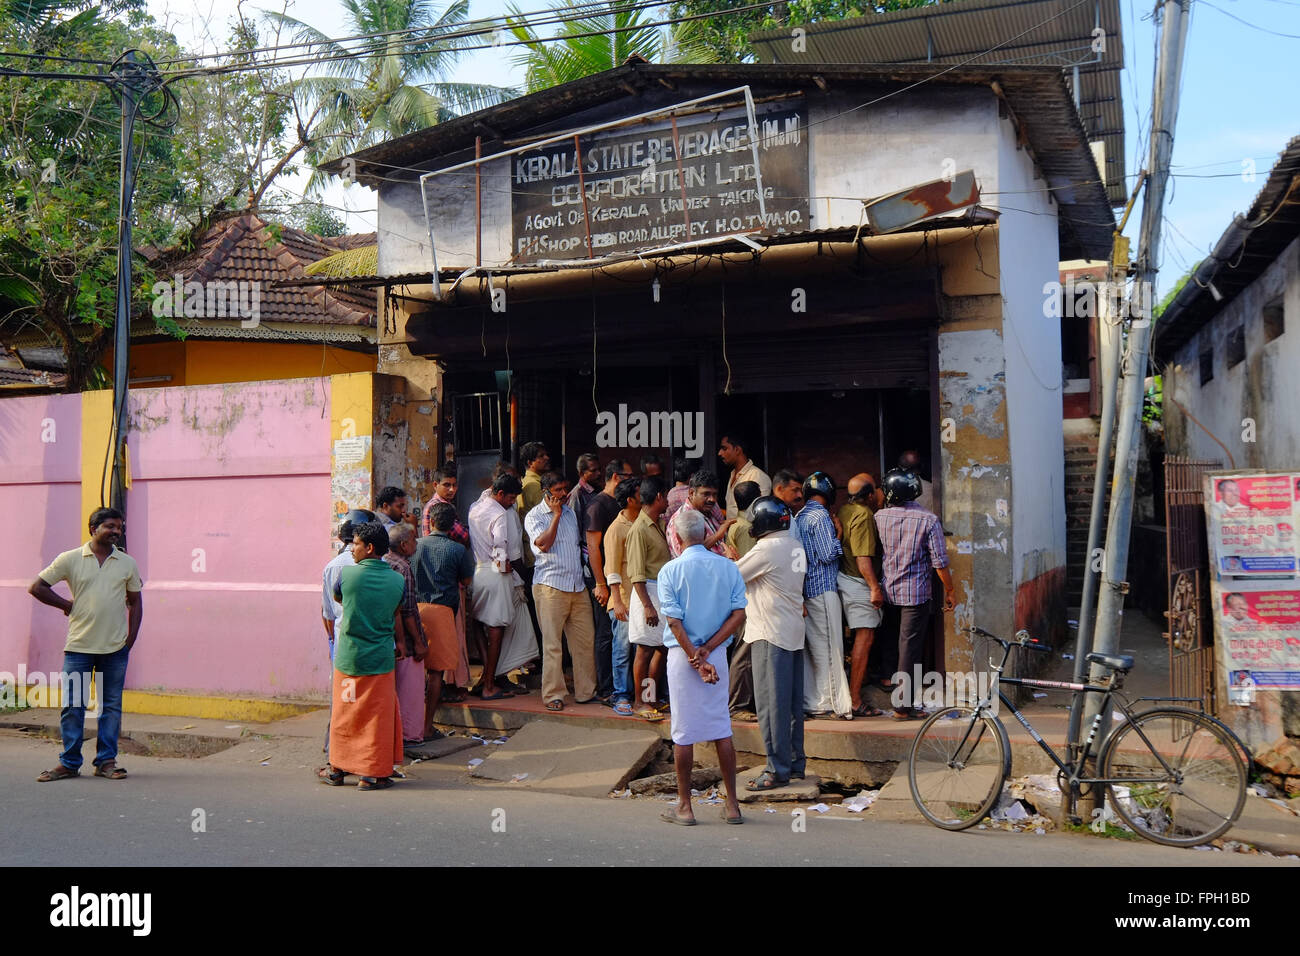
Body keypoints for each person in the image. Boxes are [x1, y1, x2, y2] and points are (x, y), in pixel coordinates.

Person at [30, 508, 143, 782]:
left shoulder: (127, 563)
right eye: (110, 526)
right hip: (79, 648)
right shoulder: (70, 559)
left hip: (114, 651)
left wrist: (129, 640)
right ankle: (69, 763)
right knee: (74, 706)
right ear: (93, 528)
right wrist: (66, 604)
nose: (116, 531)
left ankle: (106, 762)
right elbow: (37, 587)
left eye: (119, 526)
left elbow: (136, 602)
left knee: (110, 707)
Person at [657, 508, 748, 826]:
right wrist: (708, 650)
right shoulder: (727, 567)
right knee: (721, 728)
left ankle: (685, 806)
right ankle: (733, 805)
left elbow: (674, 621)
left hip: (684, 658)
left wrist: (696, 658)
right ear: (703, 535)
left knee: (683, 732)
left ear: (679, 539)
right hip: (716, 655)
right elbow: (738, 615)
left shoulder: (670, 570)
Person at [320, 522, 405, 791]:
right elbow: (395, 611)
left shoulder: (346, 575)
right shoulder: (398, 579)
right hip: (380, 659)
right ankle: (370, 774)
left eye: (355, 544)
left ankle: (337, 768)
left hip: (349, 658)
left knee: (346, 714)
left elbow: (340, 601)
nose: (351, 548)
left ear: (369, 548)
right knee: (376, 719)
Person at [736, 497, 807, 789]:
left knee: (770, 705)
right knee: (791, 704)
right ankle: (794, 763)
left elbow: (732, 577)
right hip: (792, 631)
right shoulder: (794, 545)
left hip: (769, 633)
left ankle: (776, 770)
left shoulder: (765, 550)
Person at [874, 468, 955, 720]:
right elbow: (939, 562)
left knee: (889, 638)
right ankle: (902, 706)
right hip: (915, 593)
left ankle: (888, 679)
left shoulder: (879, 517)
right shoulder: (928, 520)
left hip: (887, 589)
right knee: (909, 647)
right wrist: (950, 590)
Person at [525, 471, 598, 711]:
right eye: (557, 490)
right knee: (553, 645)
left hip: (576, 586)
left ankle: (586, 692)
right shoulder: (535, 516)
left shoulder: (570, 512)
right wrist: (555, 516)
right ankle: (553, 694)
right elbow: (543, 545)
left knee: (584, 643)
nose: (563, 494)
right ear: (546, 492)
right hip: (550, 587)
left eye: (564, 489)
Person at [413, 503, 474, 741]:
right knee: (437, 672)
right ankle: (427, 725)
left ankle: (414, 723)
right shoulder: (458, 550)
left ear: (433, 522)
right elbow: (466, 580)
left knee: (415, 670)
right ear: (452, 526)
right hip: (442, 612)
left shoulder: (415, 545)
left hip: (415, 610)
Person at [794, 471, 853, 720]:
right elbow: (829, 554)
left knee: (811, 649)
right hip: (823, 588)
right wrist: (838, 536)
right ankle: (831, 701)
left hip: (805, 590)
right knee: (830, 647)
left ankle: (814, 700)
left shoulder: (799, 515)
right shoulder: (821, 516)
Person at [322, 509, 375, 757]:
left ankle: (334, 750)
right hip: (368, 641)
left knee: (342, 700)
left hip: (342, 640)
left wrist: (333, 640)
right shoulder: (373, 568)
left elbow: (327, 614)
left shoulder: (332, 566)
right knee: (367, 700)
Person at [467, 472, 524, 701]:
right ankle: (490, 683)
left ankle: (485, 678)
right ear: (500, 494)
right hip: (496, 572)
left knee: (478, 622)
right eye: (510, 498)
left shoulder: (475, 507)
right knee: (497, 628)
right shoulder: (499, 513)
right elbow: (500, 546)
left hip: (479, 570)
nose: (512, 503)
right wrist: (504, 567)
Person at [838, 473, 887, 717]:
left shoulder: (845, 509)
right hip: (858, 581)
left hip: (844, 578)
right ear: (869, 495)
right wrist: (875, 587)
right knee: (864, 638)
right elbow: (863, 558)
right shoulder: (865, 514)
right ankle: (855, 700)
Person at [584, 459, 633, 705]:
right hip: (606, 581)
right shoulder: (598, 505)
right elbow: (594, 547)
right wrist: (600, 583)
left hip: (621, 581)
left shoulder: (620, 503)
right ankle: (606, 688)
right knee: (605, 635)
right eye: (628, 476)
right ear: (615, 476)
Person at [626, 477, 672, 720]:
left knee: (660, 649)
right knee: (644, 650)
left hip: (659, 592)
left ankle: (651, 698)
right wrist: (647, 606)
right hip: (647, 593)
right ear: (658, 497)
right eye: (665, 496)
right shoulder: (639, 529)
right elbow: (636, 574)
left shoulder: (659, 523)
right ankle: (640, 702)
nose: (667, 501)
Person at [384, 523, 430, 748]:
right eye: (413, 539)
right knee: (411, 690)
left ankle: (396, 733)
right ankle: (410, 735)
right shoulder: (402, 567)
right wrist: (419, 642)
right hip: (406, 641)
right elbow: (408, 610)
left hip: (390, 638)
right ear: (404, 545)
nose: (416, 542)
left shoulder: (385, 562)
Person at [604, 477, 643, 716]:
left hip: (640, 600)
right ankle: (620, 695)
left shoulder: (643, 522)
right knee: (622, 650)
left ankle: (639, 695)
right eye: (640, 493)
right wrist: (616, 601)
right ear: (630, 500)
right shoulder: (616, 529)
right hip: (624, 601)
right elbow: (612, 568)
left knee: (641, 650)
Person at [724, 480, 762, 721]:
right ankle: (737, 705)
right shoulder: (746, 526)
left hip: (739, 595)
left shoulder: (736, 523)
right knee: (744, 650)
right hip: (746, 596)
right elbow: (749, 565)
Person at [666, 470, 733, 557]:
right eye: (706, 494)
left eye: (715, 494)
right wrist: (717, 536)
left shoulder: (708, 511)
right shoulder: (681, 520)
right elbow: (687, 558)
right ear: (691, 493)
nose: (712, 499)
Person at [719, 431, 771, 520]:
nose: (719, 453)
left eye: (724, 448)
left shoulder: (758, 476)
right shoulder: (733, 474)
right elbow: (733, 511)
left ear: (737, 450)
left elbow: (758, 515)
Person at [516, 441, 550, 572]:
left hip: (531, 551)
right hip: (538, 554)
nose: (546, 458)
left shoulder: (527, 482)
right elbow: (547, 518)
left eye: (546, 455)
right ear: (530, 463)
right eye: (541, 456)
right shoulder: (536, 486)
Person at [420, 467, 468, 543]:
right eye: (447, 485)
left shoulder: (440, 503)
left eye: (454, 485)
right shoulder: (438, 506)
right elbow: (463, 535)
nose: (452, 489)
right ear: (435, 485)